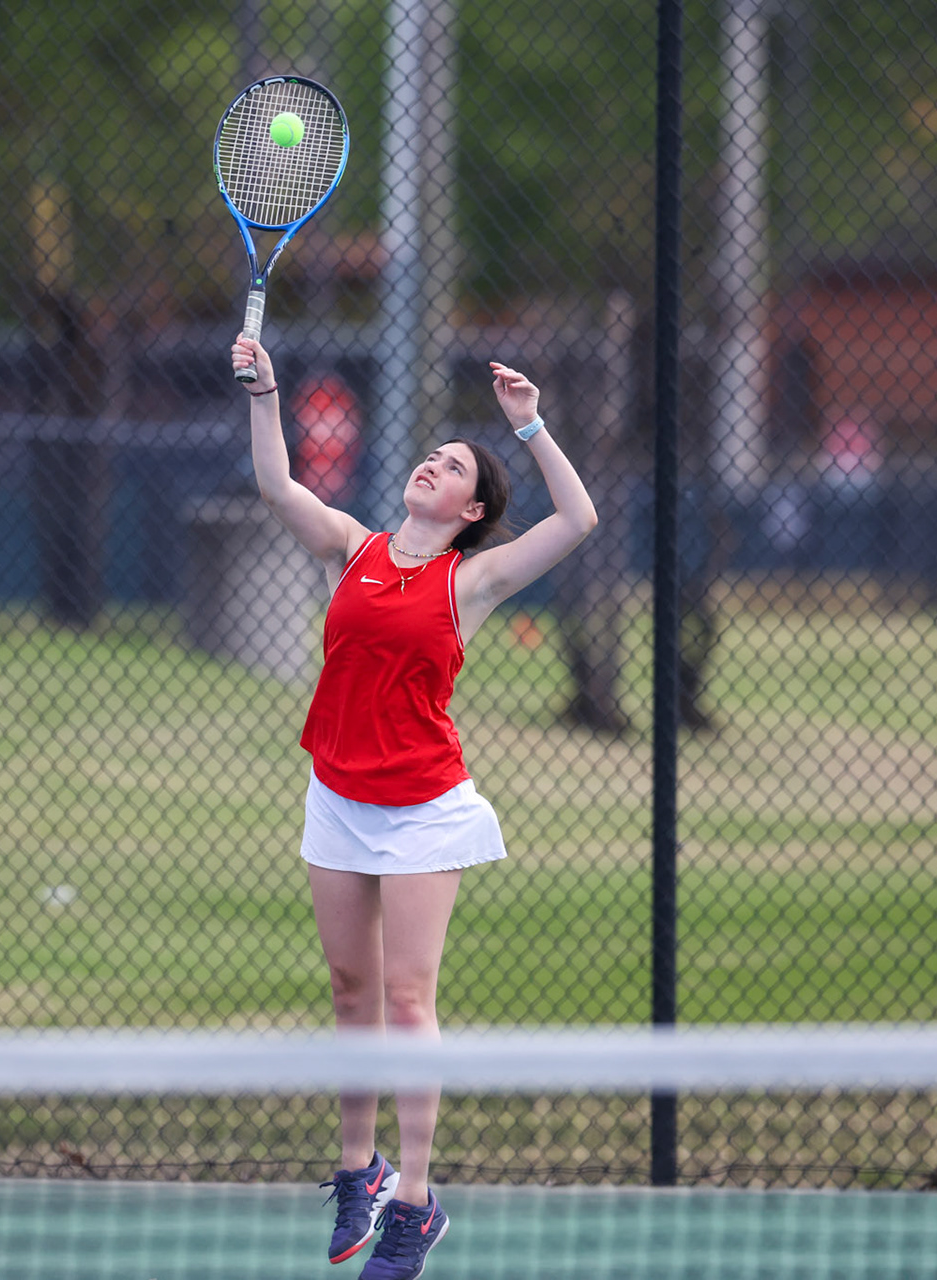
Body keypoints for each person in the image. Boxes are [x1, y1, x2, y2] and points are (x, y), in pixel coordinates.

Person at [231, 334, 598, 1280]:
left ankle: (416, 1204)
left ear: (471, 510)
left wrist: (532, 427)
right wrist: (266, 392)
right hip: (337, 795)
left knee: (405, 998)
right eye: (430, 455)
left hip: (426, 807)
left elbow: (580, 518)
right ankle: (358, 1171)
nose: (431, 463)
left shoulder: (472, 580)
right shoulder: (350, 546)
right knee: (350, 993)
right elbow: (277, 486)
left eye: (453, 468)